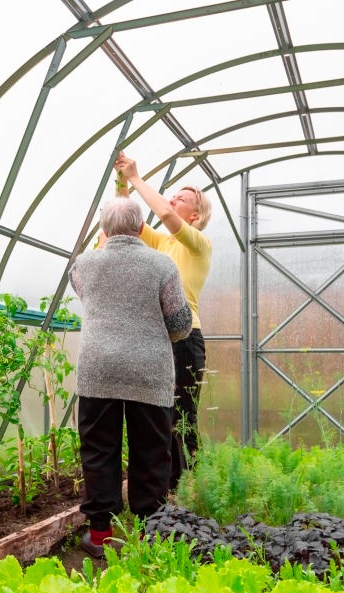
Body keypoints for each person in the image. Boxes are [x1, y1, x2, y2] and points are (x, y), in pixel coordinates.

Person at [70, 197, 192, 558]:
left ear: (104, 231)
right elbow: (181, 324)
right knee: (151, 450)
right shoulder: (161, 264)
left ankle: (100, 535)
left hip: (98, 371)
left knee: (99, 450)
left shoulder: (83, 265)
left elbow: (87, 298)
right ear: (141, 228)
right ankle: (149, 533)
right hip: (148, 370)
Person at [114, 151, 213, 490]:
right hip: (159, 337)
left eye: (181, 198)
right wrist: (121, 183)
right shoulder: (160, 241)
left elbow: (165, 213)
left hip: (186, 338)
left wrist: (138, 177)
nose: (172, 199)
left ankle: (193, 485)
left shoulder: (198, 244)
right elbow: (125, 221)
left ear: (195, 214)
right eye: (173, 194)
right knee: (161, 412)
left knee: (183, 413)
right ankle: (171, 485)